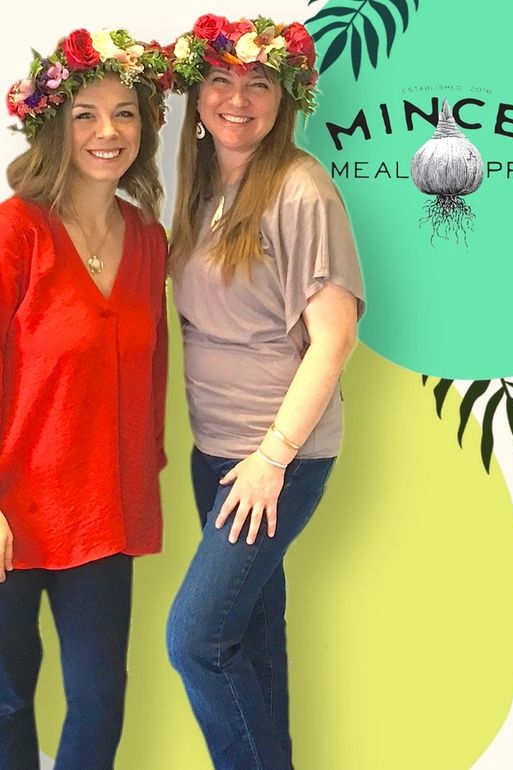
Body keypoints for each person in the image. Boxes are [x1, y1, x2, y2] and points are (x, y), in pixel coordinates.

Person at [166, 15, 365, 770]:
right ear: (199, 92)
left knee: (196, 641)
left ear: (285, 99)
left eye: (258, 84)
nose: (237, 99)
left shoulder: (300, 189)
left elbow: (334, 339)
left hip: (273, 459)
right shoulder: (203, 184)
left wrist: (272, 460)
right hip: (213, 453)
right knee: (250, 638)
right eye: (220, 80)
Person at [0, 28, 172, 770]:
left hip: (101, 508)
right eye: (85, 115)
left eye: (126, 113)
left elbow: (153, 371)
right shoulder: (16, 231)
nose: (109, 132)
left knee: (100, 703)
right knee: (6, 699)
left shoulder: (149, 238)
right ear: (53, 127)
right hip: (10, 512)